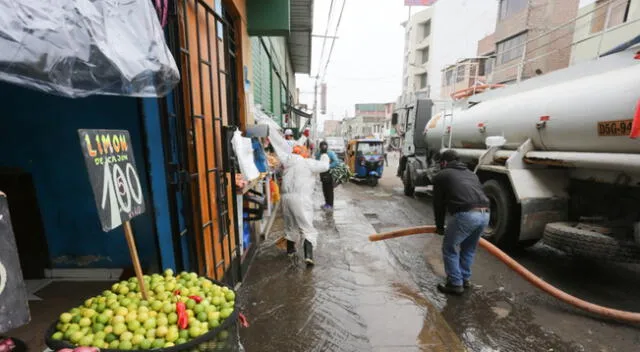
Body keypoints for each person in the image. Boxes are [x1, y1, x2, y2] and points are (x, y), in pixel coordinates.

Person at [432, 149, 490, 295]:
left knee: (449, 247)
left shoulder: (442, 175)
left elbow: (438, 204)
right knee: (468, 248)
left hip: (466, 215)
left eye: (441, 163)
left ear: (444, 162)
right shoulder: (471, 174)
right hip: (485, 214)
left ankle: (455, 283)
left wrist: (439, 226)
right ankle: (464, 279)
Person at [281, 145, 330, 266]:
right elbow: (325, 166)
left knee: (290, 226)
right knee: (306, 227)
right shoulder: (307, 163)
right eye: (306, 152)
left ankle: (290, 251)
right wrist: (324, 155)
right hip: (300, 198)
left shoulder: (288, 165)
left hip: (285, 199)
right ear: (302, 153)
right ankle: (308, 256)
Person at [315, 141, 340, 210]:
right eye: (322, 147)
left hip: (329, 173)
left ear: (327, 147)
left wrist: (328, 166)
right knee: (324, 189)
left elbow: (336, 162)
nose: (324, 148)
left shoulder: (330, 153)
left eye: (325, 147)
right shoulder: (318, 154)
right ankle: (326, 203)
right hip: (322, 174)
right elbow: (316, 162)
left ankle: (330, 205)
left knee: (329, 190)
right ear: (320, 147)